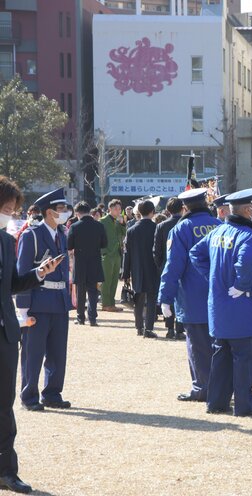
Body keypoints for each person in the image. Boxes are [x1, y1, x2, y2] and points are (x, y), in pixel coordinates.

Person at [0, 177, 62, 495]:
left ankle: (7, 471)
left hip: (7, 332)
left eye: (13, 210)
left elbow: (11, 283)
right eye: (6, 209)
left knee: (4, 404)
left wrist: (39, 273)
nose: (11, 215)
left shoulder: (6, 240)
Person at [190, 188, 252, 416]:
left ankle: (216, 402)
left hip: (219, 306)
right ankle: (245, 405)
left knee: (221, 356)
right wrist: (241, 285)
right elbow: (244, 263)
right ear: (245, 210)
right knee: (244, 358)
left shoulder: (218, 231)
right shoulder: (248, 235)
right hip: (241, 306)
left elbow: (196, 253)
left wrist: (212, 276)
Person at [159, 188, 221, 402]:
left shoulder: (181, 229)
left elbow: (173, 266)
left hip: (192, 297)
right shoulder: (219, 225)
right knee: (220, 346)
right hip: (220, 296)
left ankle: (202, 388)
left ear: (185, 207)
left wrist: (165, 297)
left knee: (197, 346)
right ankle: (221, 387)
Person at [16, 188, 74, 412]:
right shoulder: (31, 235)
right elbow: (22, 273)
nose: (65, 212)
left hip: (59, 301)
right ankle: (29, 395)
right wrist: (23, 308)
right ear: (49, 212)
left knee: (58, 352)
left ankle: (52, 393)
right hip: (38, 302)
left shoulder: (61, 233)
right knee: (33, 352)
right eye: (61, 209)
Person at [122, 200, 159, 338]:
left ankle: (139, 326)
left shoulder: (131, 230)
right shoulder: (157, 228)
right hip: (153, 268)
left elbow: (127, 253)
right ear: (152, 212)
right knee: (152, 298)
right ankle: (148, 328)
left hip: (136, 268)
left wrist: (125, 272)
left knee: (138, 298)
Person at [67, 201, 107, 327]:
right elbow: (104, 244)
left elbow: (69, 245)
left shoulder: (74, 226)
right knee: (93, 291)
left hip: (80, 261)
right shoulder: (99, 226)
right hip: (95, 260)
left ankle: (80, 317)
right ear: (89, 211)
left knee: (80, 291)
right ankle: (93, 318)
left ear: (77, 213)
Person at [154, 197, 184, 340]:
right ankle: (180, 328)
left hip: (167, 265)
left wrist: (161, 266)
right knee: (182, 297)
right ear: (182, 208)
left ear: (168, 210)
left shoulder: (161, 226)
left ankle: (169, 328)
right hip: (184, 267)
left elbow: (157, 250)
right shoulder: (185, 224)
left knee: (168, 296)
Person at [100, 199, 127, 312]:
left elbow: (124, 233)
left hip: (117, 253)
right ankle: (106, 303)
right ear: (110, 209)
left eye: (120, 209)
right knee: (106, 280)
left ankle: (111, 303)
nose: (118, 211)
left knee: (115, 279)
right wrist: (103, 251)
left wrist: (122, 223)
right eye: (115, 209)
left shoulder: (118, 221)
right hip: (106, 254)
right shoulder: (102, 221)